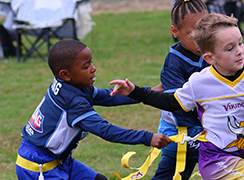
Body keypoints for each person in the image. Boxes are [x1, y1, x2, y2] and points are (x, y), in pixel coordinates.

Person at [109, 13, 244, 180]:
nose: (239, 51)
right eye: (229, 48)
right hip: (215, 159)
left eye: (240, 43)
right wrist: (135, 91)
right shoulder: (200, 82)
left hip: (238, 156)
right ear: (210, 58)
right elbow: (170, 102)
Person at [15, 40, 171, 180]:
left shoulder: (72, 86)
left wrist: (148, 93)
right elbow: (105, 131)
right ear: (66, 74)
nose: (94, 69)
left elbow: (109, 97)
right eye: (86, 66)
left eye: (91, 63)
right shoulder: (73, 101)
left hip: (57, 159)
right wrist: (147, 137)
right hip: (38, 166)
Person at [152, 0, 209, 179]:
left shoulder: (213, 53)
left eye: (205, 32)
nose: (200, 39)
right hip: (179, 132)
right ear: (175, 32)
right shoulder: (174, 62)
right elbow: (177, 105)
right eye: (192, 34)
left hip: (203, 127)